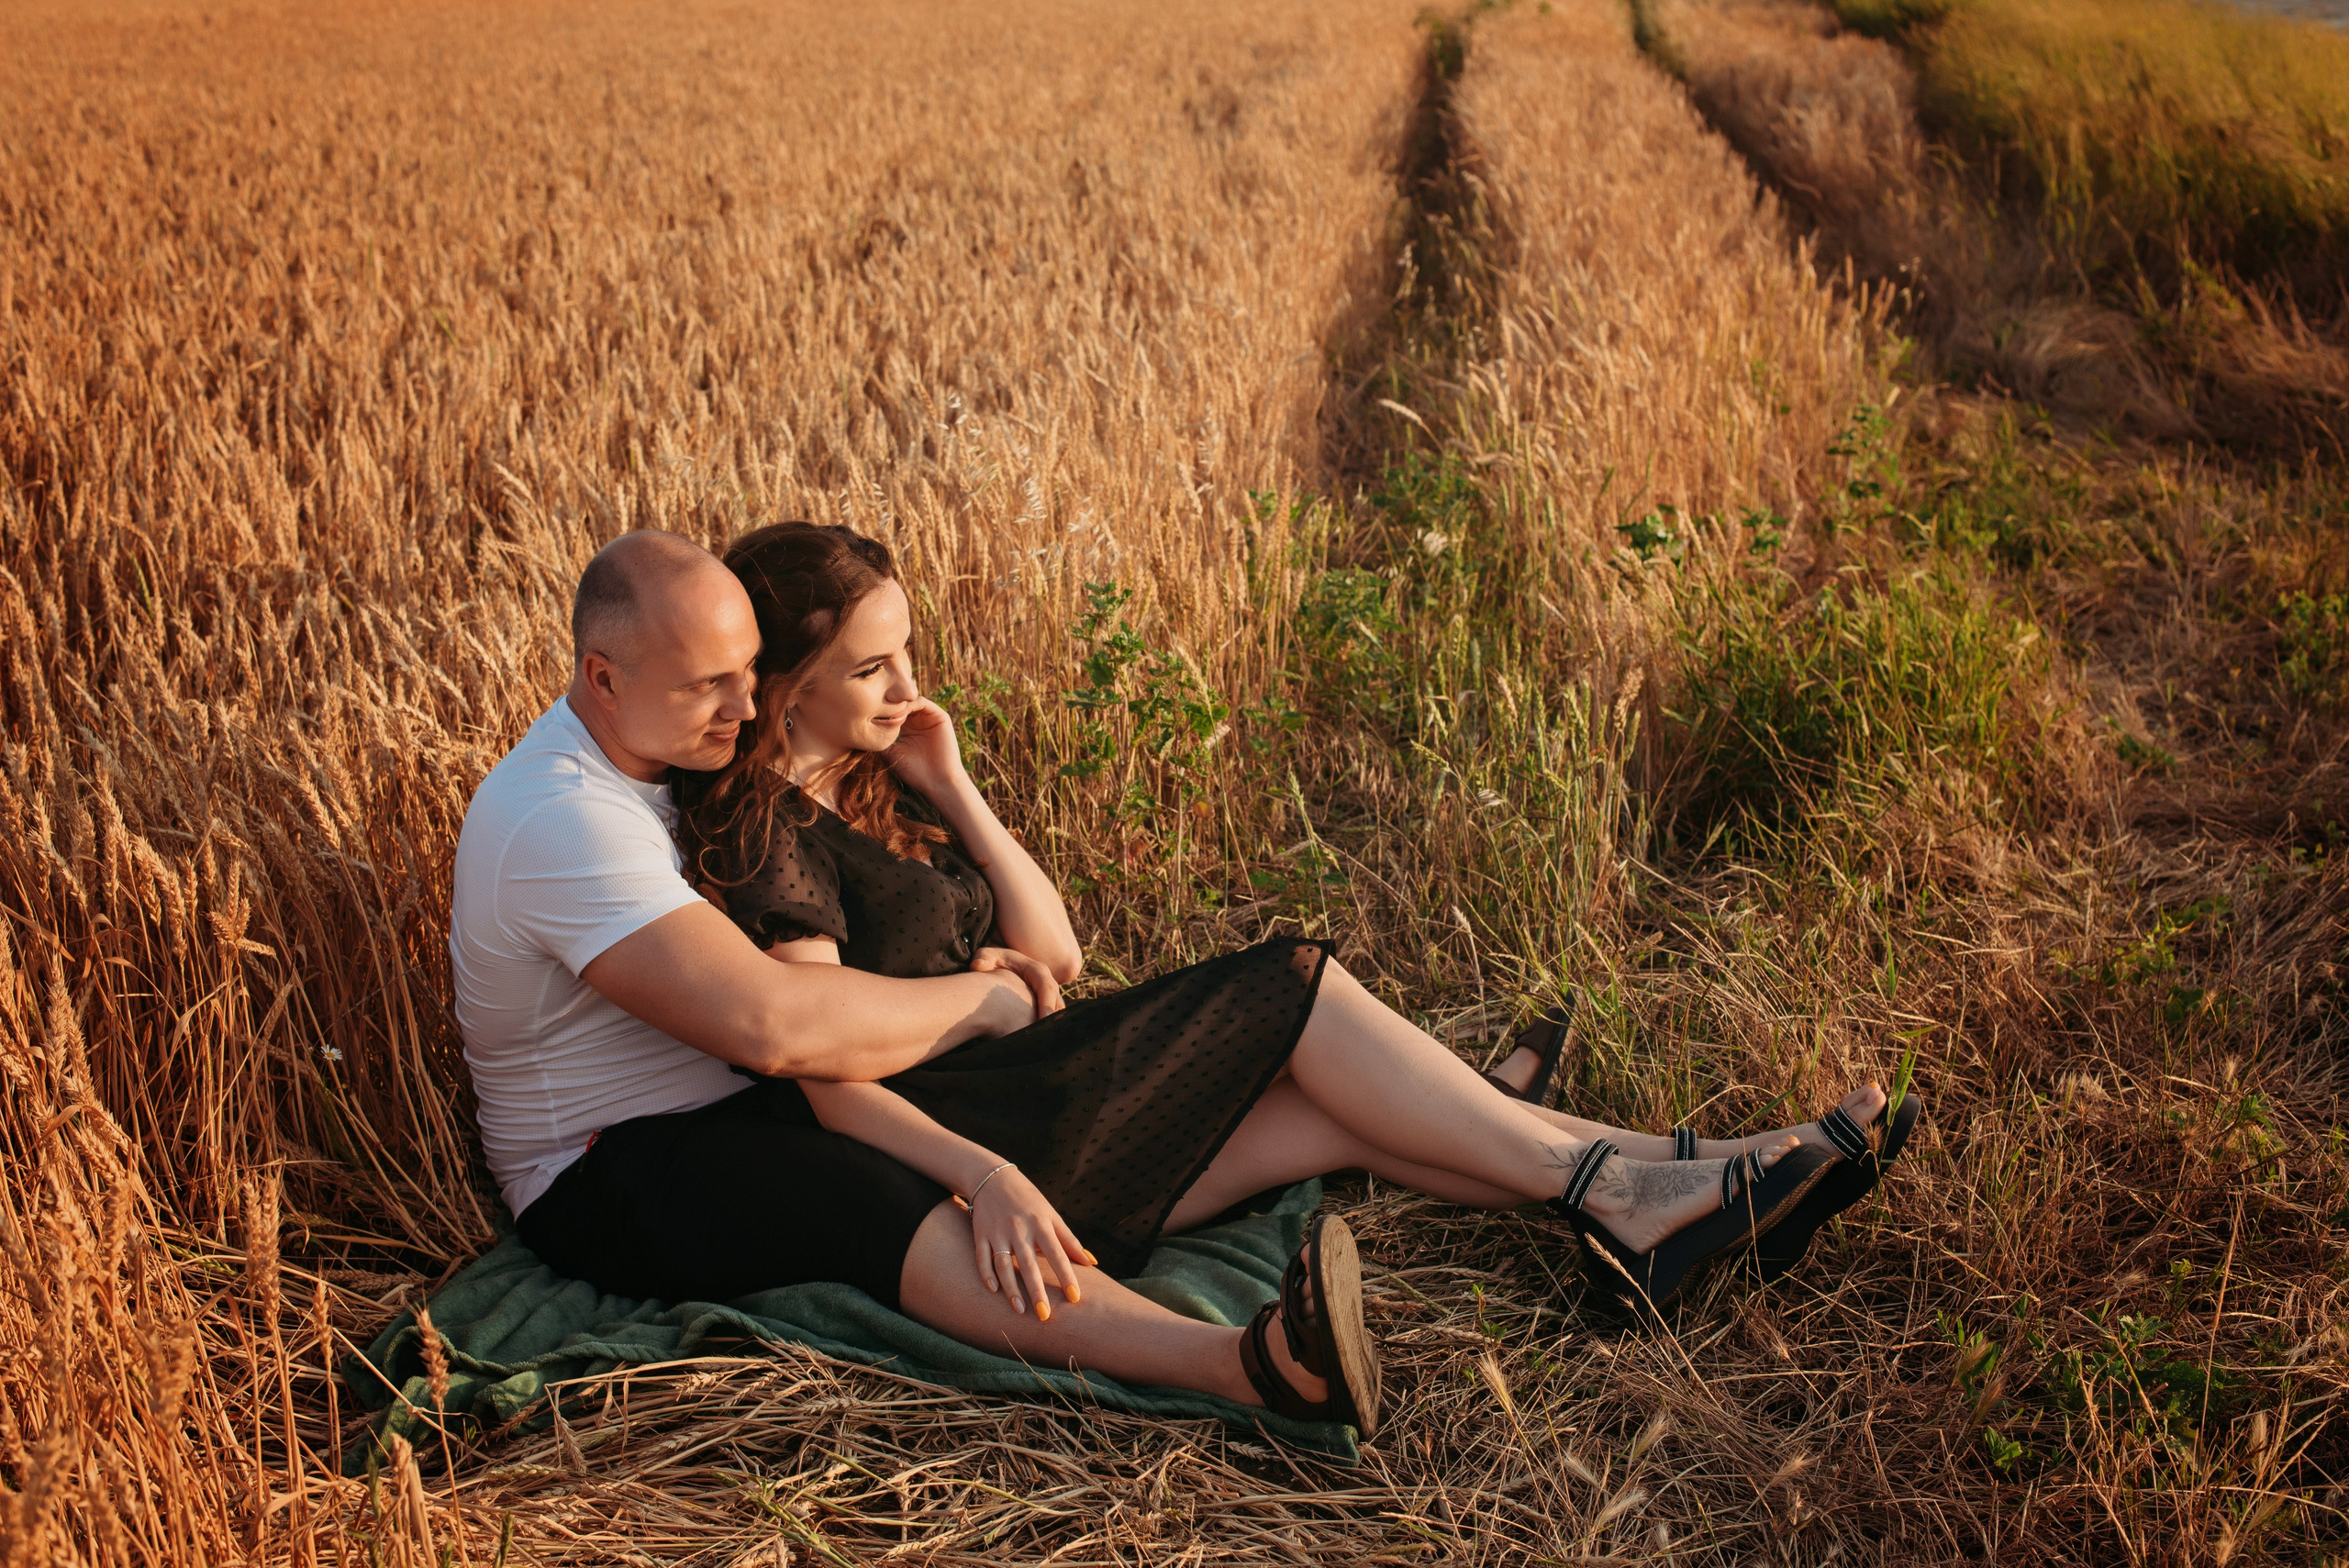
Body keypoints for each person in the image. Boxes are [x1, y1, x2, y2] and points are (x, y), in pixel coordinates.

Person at [451, 528, 1916, 1438]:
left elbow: (937, 980)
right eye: (718, 684)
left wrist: (953, 804)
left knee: (1325, 1097)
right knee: (1275, 1000)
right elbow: (783, 1033)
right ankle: (1273, 1355)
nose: (737, 704)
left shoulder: (673, 766)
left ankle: (1663, 1178)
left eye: (745, 676)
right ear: (599, 676)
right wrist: (990, 1029)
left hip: (782, 1101)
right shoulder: (583, 814)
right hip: (630, 1158)